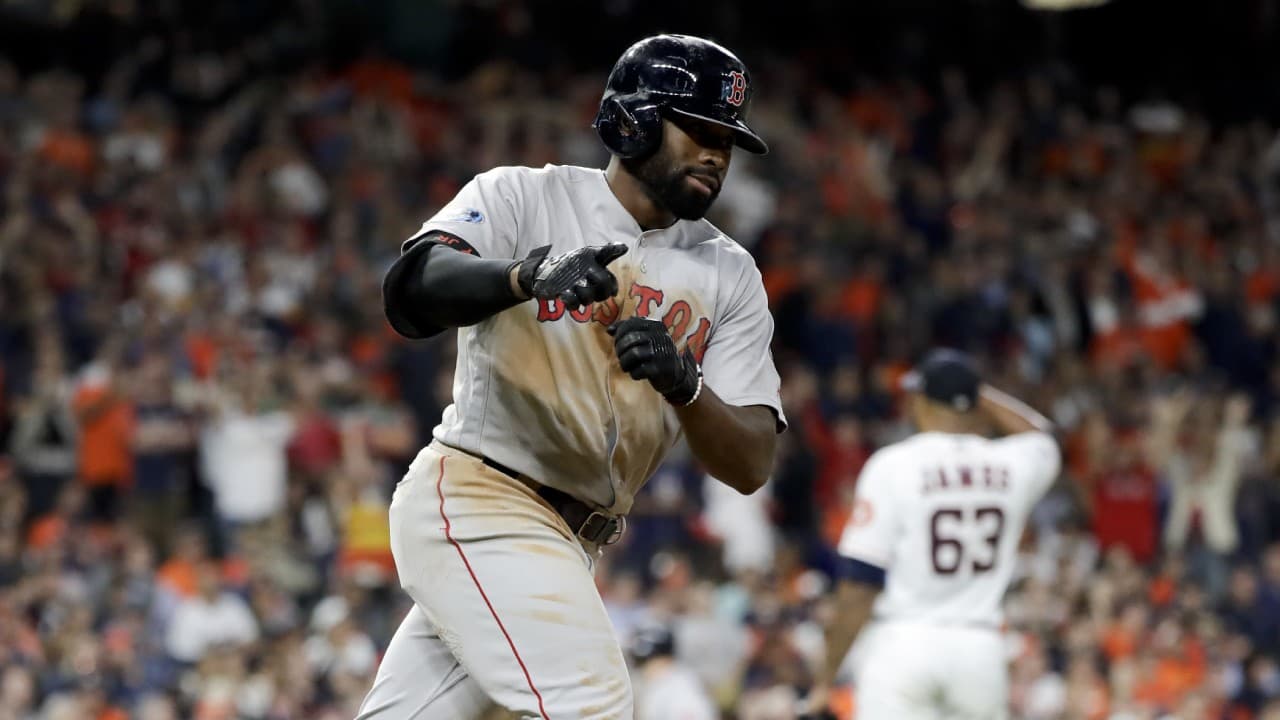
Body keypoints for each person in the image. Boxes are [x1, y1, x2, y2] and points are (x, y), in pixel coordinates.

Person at [358, 33, 785, 719]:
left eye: (727, 139)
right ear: (634, 119)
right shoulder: (526, 196)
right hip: (481, 497)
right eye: (698, 129)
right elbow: (410, 290)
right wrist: (522, 275)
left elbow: (751, 460)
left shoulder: (729, 271)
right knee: (592, 703)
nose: (715, 153)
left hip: (569, 540)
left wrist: (686, 384)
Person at [803, 349, 1061, 719]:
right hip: (979, 649)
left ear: (922, 401)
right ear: (974, 405)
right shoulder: (1011, 463)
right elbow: (1045, 438)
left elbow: (860, 584)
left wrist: (826, 678)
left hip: (905, 642)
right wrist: (975, 391)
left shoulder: (894, 465)